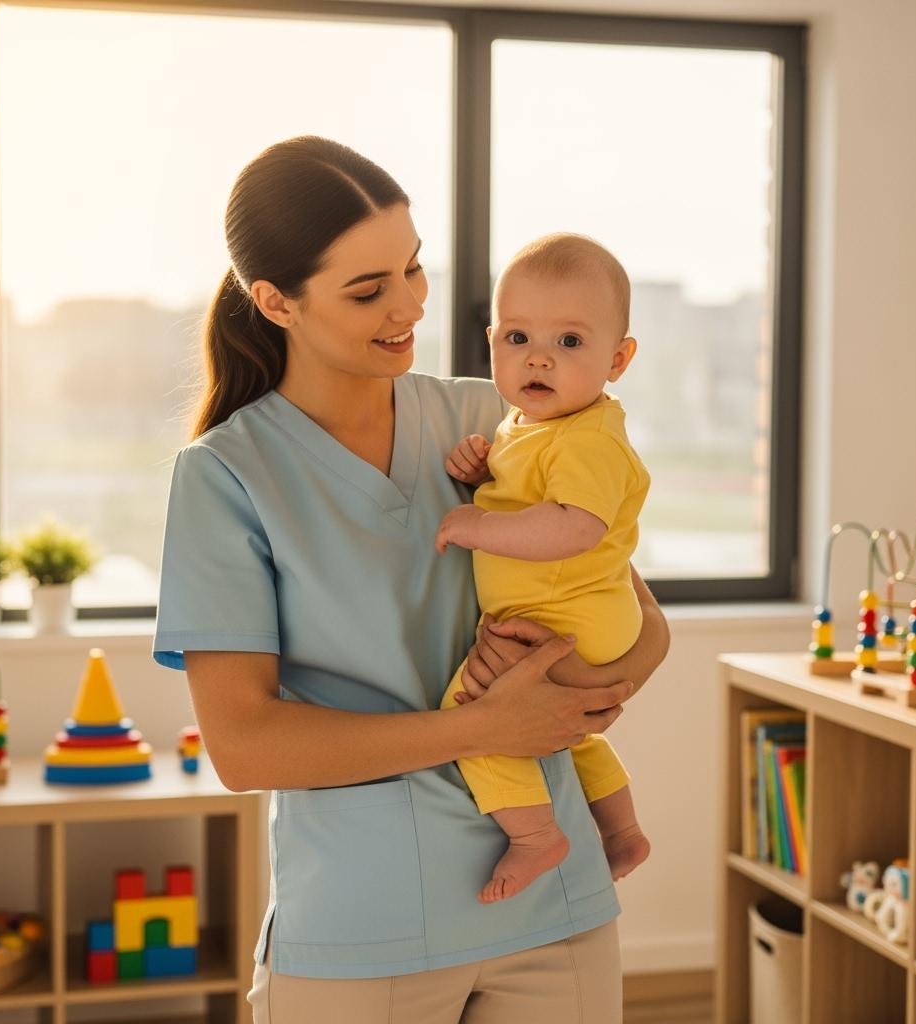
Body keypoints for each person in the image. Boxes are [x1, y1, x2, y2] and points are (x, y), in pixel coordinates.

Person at [152, 136, 669, 1024]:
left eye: (414, 269)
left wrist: (569, 695)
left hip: (556, 910)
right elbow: (244, 747)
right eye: (368, 289)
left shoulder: (499, 416)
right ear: (275, 301)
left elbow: (641, 626)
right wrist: (485, 724)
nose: (409, 306)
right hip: (363, 925)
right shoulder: (226, 476)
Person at [436, 233, 652, 905]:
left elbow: (574, 525)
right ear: (492, 339)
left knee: (475, 713)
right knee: (566, 733)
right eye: (518, 337)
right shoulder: (532, 423)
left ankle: (535, 838)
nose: (538, 357)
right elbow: (528, 487)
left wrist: (479, 524)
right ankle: (622, 831)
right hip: (570, 617)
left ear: (617, 360)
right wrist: (483, 474)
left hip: (571, 617)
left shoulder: (588, 437)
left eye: (569, 343)